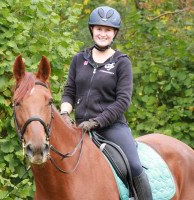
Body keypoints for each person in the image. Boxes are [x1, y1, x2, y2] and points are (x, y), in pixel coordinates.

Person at [60, 6, 152, 200]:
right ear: (92, 30)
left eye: (108, 30)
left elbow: (123, 101)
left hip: (112, 128)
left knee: (134, 166)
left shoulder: (121, 62)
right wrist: (64, 113)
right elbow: (69, 91)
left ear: (114, 33)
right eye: (99, 29)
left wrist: (97, 122)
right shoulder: (79, 59)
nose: (103, 33)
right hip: (80, 128)